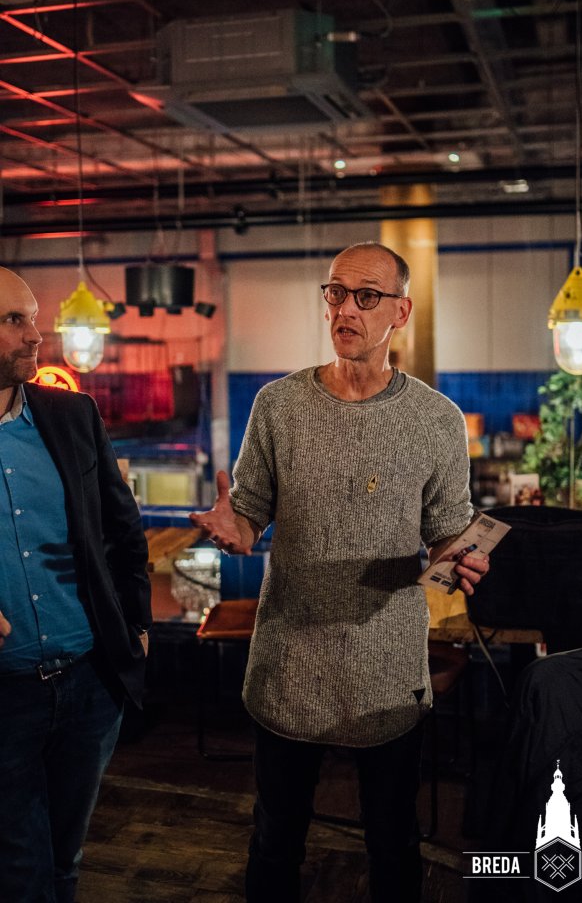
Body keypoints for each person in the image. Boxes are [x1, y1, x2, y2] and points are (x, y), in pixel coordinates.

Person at [191, 242, 490, 903]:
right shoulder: (278, 405)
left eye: (366, 296)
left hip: (386, 667)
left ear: (400, 312)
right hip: (290, 662)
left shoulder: (436, 419)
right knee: (275, 840)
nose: (345, 309)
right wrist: (234, 529)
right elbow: (250, 511)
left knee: (393, 843)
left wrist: (461, 557)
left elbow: (447, 528)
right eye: (335, 293)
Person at [0, 267, 152, 903]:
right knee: (19, 874)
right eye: (15, 320)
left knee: (65, 861)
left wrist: (136, 625)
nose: (37, 335)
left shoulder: (72, 414)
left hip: (89, 684)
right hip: (5, 696)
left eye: (34, 318)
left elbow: (122, 529)